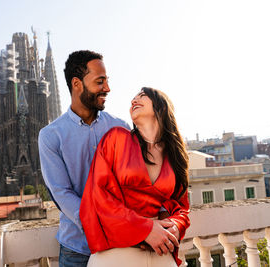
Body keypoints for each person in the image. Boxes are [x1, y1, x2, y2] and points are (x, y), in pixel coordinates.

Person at [80, 87, 190, 267]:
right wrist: (145, 230)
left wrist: (176, 226)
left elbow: (182, 207)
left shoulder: (175, 156)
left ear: (161, 107)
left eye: (142, 96)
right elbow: (97, 195)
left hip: (159, 250)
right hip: (118, 251)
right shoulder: (116, 138)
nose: (134, 100)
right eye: (133, 98)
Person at [38, 50, 129, 267]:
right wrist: (99, 225)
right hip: (77, 250)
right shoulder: (51, 136)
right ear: (77, 84)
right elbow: (61, 192)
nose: (107, 88)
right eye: (100, 82)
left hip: (121, 245)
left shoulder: (120, 128)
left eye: (106, 81)